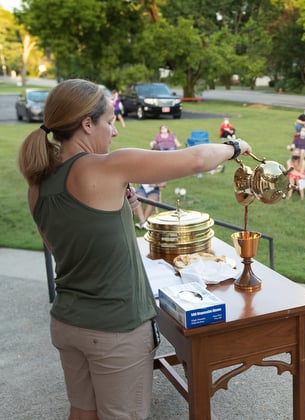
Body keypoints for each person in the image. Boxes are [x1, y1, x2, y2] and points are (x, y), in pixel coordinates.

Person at [16, 79, 251, 420]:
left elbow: (70, 250)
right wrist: (235, 146)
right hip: (114, 328)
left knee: (82, 412)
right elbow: (197, 158)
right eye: (109, 122)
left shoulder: (36, 187)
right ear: (86, 124)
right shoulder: (105, 166)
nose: (113, 132)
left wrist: (119, 207)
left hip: (68, 323)